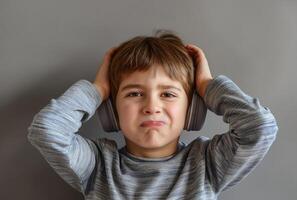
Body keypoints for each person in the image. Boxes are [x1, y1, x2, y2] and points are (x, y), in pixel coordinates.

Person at [27, 30, 278, 200]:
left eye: (168, 94)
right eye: (135, 94)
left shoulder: (207, 163)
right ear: (111, 110)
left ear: (192, 110)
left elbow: (260, 128)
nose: (152, 106)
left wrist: (206, 85)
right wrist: (98, 90)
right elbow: (47, 131)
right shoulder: (97, 165)